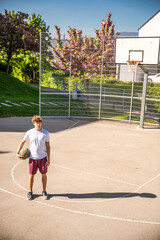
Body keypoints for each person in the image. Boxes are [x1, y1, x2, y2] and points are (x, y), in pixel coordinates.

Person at [17, 115, 50, 200]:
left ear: (41, 123)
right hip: (32, 158)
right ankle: (30, 192)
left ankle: (44, 191)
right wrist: (18, 152)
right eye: (36, 123)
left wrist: (49, 159)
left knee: (44, 174)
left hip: (43, 158)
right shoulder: (29, 132)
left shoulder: (45, 133)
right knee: (31, 175)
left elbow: (48, 146)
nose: (38, 124)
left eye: (39, 123)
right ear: (33, 123)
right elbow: (22, 142)